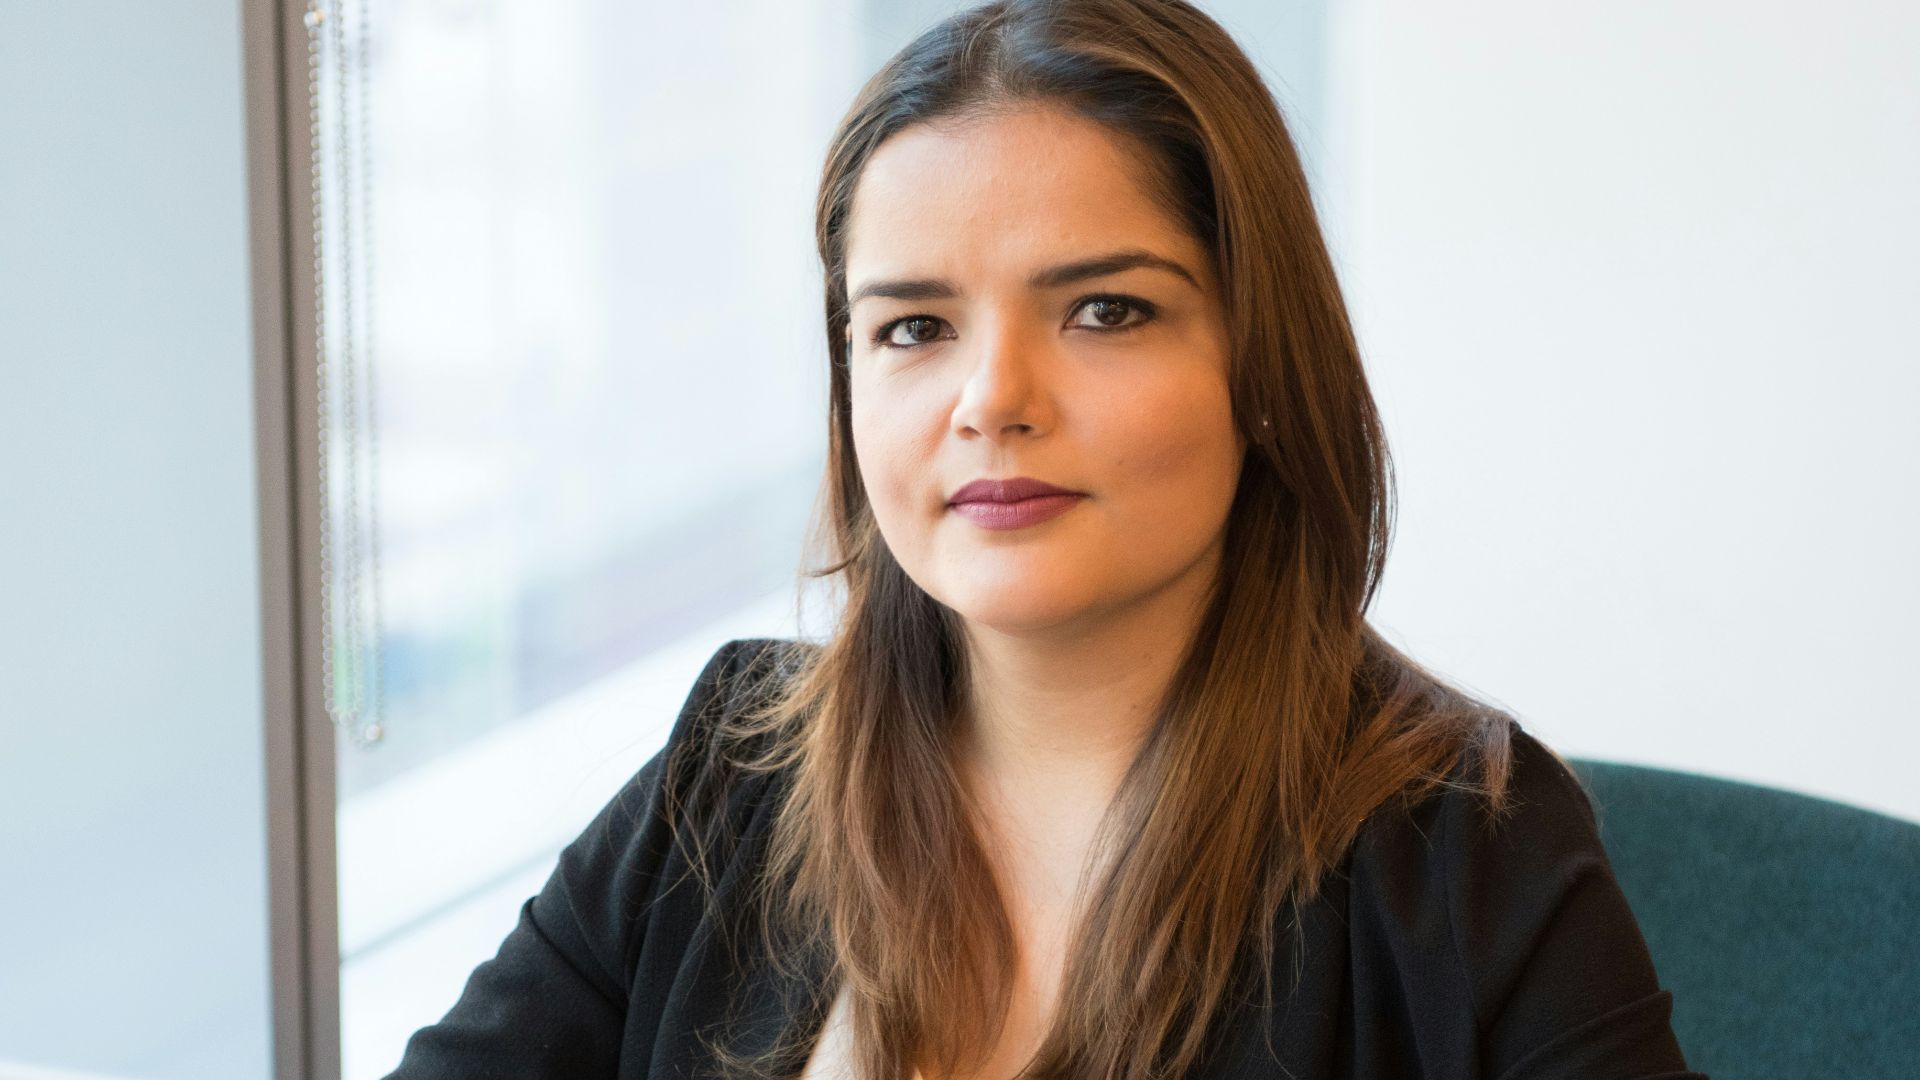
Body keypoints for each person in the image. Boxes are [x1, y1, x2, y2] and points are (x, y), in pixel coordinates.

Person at [385, 1, 1705, 1077]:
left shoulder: (1466, 852)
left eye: (1106, 312)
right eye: (913, 327)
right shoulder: (731, 772)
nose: (992, 400)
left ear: (1258, 358)